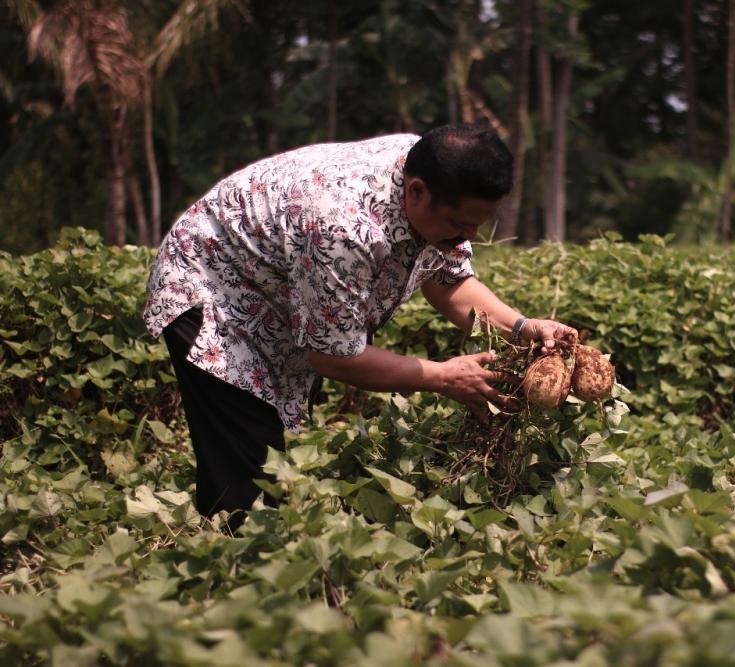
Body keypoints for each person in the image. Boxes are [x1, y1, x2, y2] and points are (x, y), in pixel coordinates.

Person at [144, 123, 577, 522]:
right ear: (417, 191)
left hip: (276, 297)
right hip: (213, 290)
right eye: (459, 224)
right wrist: (443, 376)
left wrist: (522, 328)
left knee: (270, 455)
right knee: (250, 470)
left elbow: (450, 282)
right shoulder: (342, 225)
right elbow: (335, 358)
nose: (467, 239)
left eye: (476, 226)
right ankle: (230, 573)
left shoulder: (432, 171)